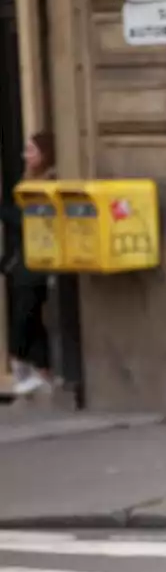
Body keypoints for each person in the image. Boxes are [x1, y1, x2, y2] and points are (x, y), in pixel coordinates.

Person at [2, 131, 56, 397]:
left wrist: (4, 212)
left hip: (39, 260)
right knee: (30, 317)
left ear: (45, 154)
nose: (25, 156)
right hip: (24, 259)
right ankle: (40, 371)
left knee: (27, 314)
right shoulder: (27, 181)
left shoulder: (48, 183)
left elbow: (30, 221)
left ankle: (24, 368)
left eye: (31, 150)